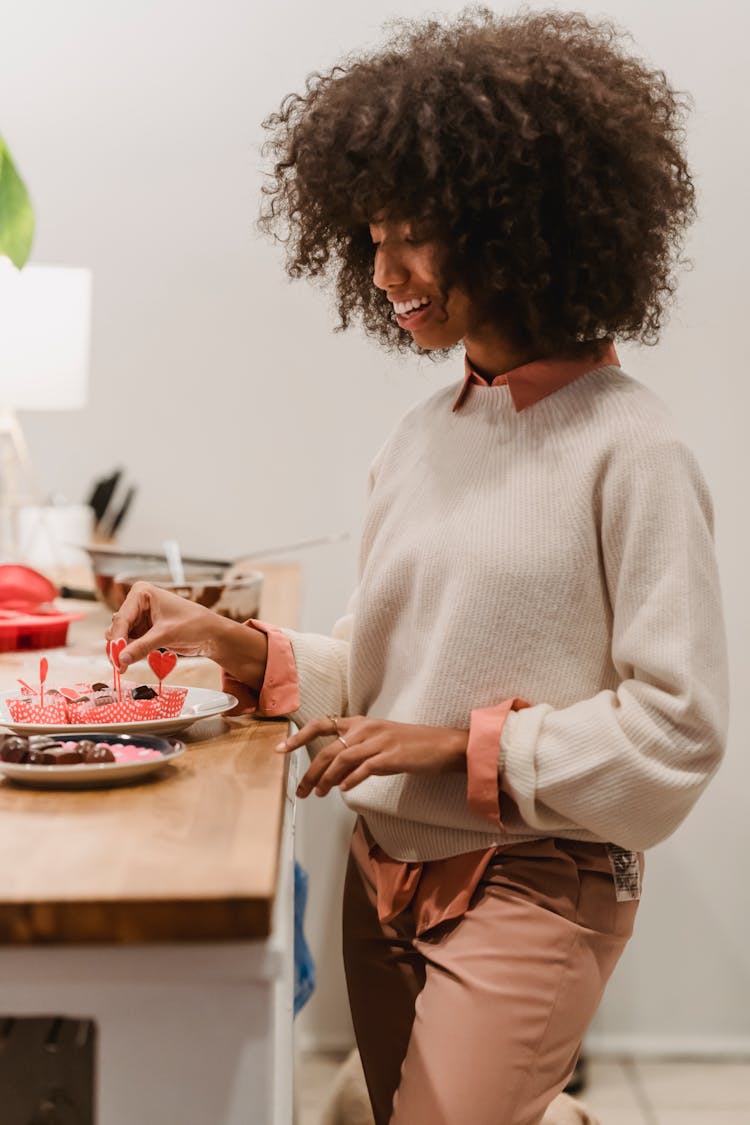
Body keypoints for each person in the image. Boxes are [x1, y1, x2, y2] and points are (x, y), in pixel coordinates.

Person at [108, 9, 729, 1124]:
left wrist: (458, 747)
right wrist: (243, 647)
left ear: (520, 226)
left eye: (418, 234)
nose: (386, 271)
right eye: (370, 238)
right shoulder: (424, 434)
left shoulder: (636, 449)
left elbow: (677, 729)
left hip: (533, 880)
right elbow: (409, 661)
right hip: (381, 868)